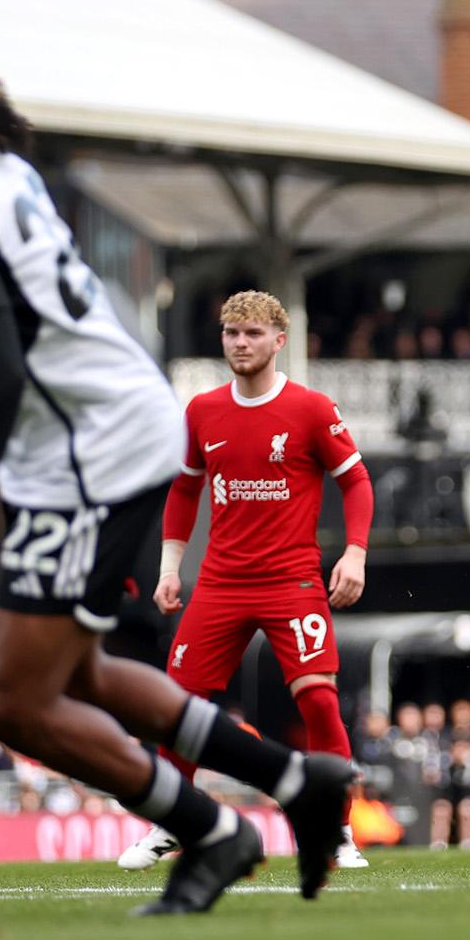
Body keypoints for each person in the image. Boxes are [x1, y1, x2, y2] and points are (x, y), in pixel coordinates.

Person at [0, 12, 352, 916]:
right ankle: (298, 784)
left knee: (12, 703)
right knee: (78, 677)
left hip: (89, 445)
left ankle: (216, 830)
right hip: (80, 436)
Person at [122, 290, 375, 871]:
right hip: (219, 585)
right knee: (178, 708)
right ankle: (171, 824)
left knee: (317, 702)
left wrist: (355, 554)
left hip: (292, 582)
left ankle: (336, 831)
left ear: (278, 342)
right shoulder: (203, 411)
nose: (241, 343)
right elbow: (185, 488)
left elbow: (357, 483)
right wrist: (169, 567)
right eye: (232, 334)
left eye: (253, 334)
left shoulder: (311, 409)